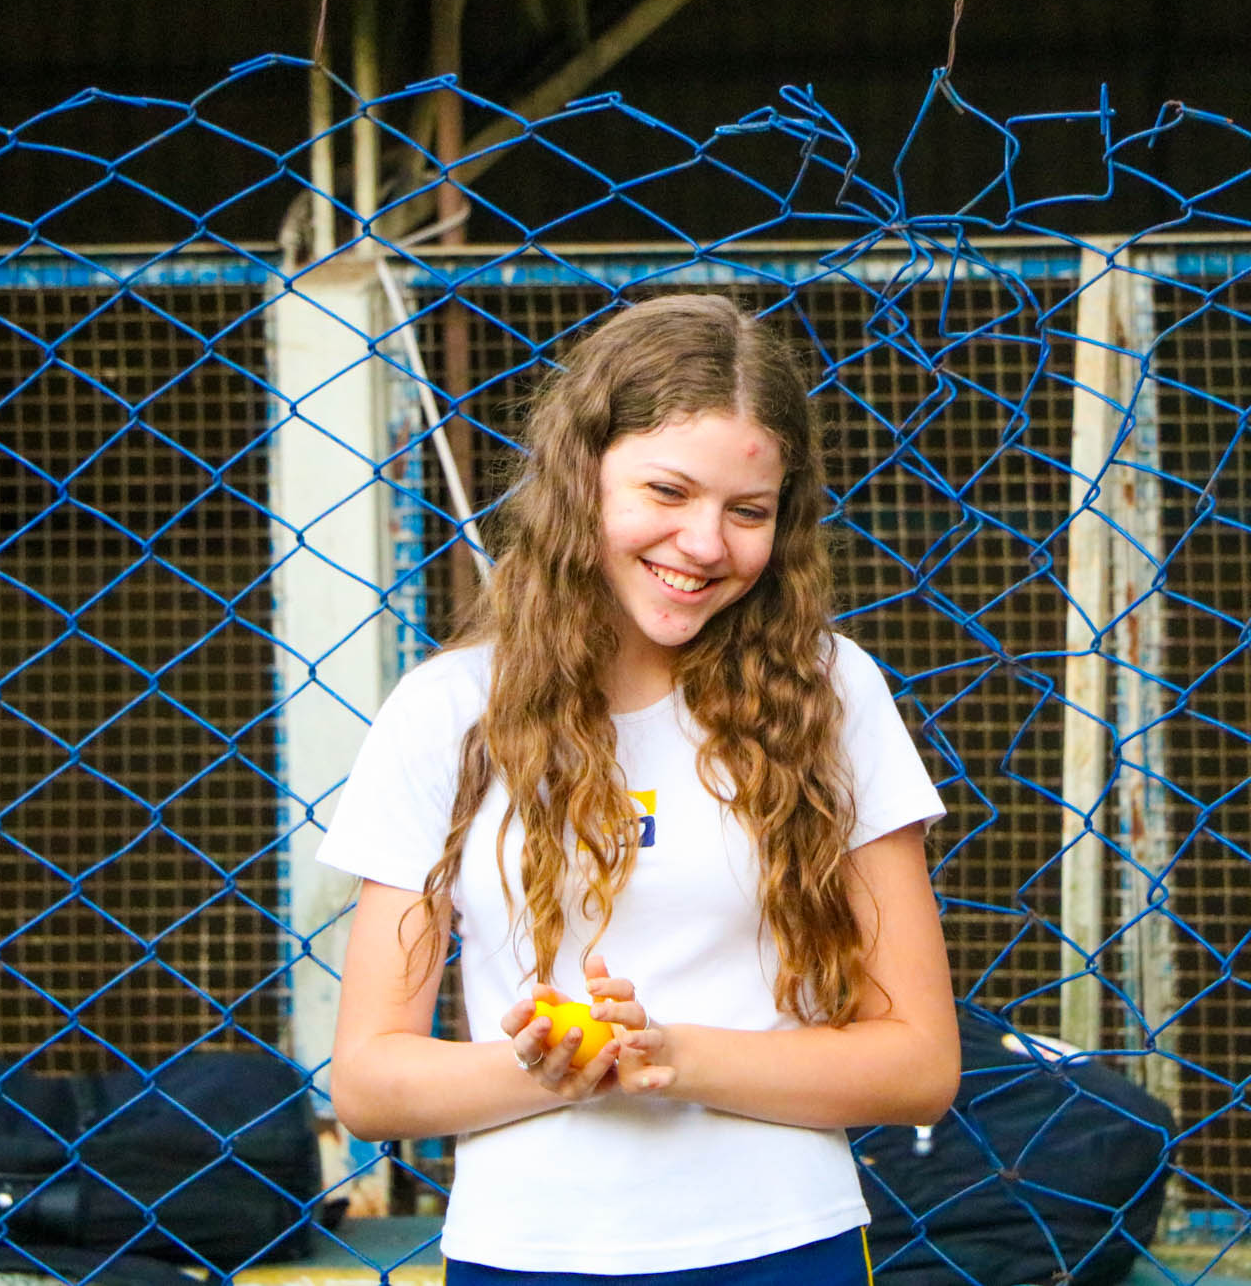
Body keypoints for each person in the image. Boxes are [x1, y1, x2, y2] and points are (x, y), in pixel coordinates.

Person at [321, 293, 960, 1284]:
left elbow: (917, 1063)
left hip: (780, 1247)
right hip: (523, 1254)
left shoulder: (833, 691)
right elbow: (367, 1081)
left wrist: (675, 1057)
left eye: (747, 511)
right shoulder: (445, 709)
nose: (704, 543)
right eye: (667, 490)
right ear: (580, 478)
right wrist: (556, 1065)